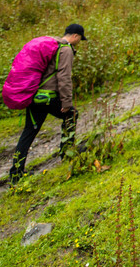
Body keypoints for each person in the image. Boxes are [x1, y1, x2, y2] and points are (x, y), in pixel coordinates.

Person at [9, 23, 86, 184]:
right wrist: (66, 101)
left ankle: (15, 174)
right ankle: (67, 152)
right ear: (76, 36)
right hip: (49, 97)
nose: (79, 42)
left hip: (34, 96)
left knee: (28, 133)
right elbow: (64, 77)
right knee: (71, 114)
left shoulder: (53, 45)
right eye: (79, 39)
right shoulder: (66, 50)